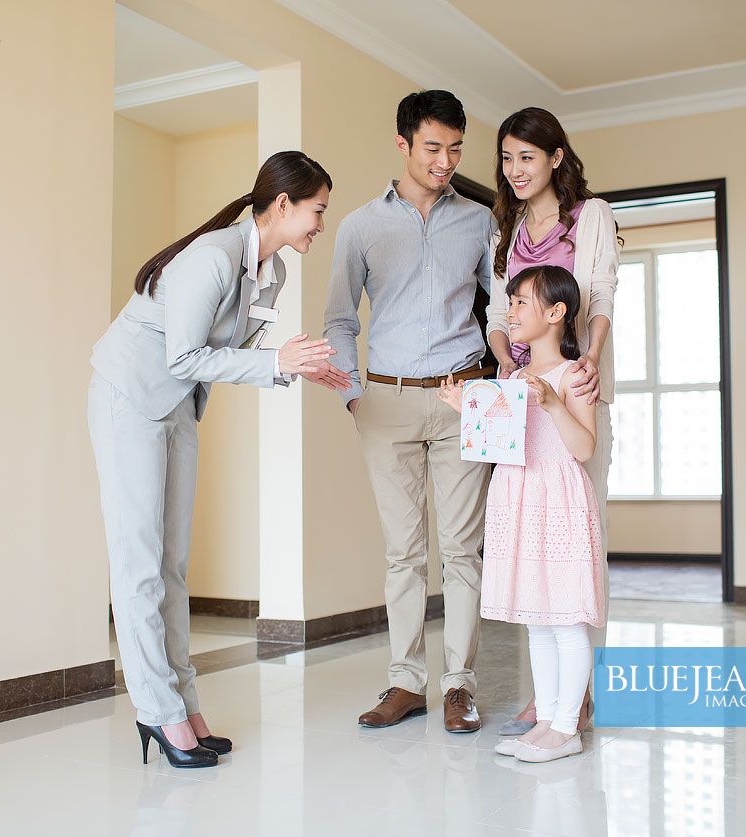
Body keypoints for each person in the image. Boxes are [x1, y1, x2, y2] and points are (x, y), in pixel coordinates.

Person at [88, 151, 349, 768]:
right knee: (139, 564)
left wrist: (298, 370)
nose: (319, 225)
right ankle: (158, 710)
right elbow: (183, 356)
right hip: (130, 399)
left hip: (177, 405)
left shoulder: (273, 271)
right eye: (316, 212)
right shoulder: (209, 259)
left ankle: (185, 704)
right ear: (282, 204)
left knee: (174, 565)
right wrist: (277, 363)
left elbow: (242, 355)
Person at [323, 90, 495, 733]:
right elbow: (339, 318)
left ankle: (460, 686)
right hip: (385, 399)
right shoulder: (361, 227)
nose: (446, 161)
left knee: (463, 551)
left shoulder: (479, 221)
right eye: (433, 148)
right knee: (403, 553)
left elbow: (502, 311)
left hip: (463, 397)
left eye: (455, 149)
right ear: (402, 145)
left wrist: (504, 381)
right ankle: (405, 682)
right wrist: (351, 392)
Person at [485, 107, 620, 735]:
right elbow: (497, 312)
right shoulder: (506, 228)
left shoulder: (590, 216)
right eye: (507, 158)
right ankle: (553, 694)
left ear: (556, 158)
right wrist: (507, 379)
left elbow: (598, 293)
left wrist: (583, 363)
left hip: (573, 387)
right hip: (521, 401)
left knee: (575, 541)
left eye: (527, 158)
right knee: (530, 539)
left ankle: (575, 692)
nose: (515, 171)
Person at [440, 265, 606, 763]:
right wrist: (464, 411)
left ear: (556, 313)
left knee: (567, 619)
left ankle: (566, 727)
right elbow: (502, 444)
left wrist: (554, 403)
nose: (508, 312)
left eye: (519, 303)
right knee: (537, 619)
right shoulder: (509, 377)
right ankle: (547, 722)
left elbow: (582, 448)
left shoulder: (574, 375)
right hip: (518, 500)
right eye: (509, 303)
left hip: (557, 501)